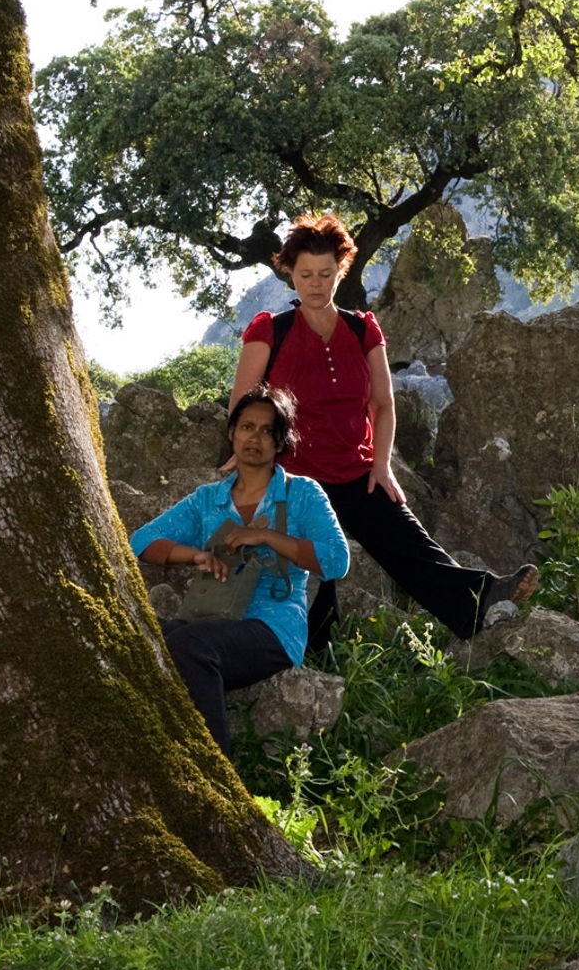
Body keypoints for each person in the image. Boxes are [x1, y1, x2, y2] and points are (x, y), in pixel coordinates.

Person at [228, 213, 537, 647]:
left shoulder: (362, 329)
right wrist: (244, 456)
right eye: (305, 275)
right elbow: (244, 405)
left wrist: (382, 464)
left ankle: (483, 603)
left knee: (407, 541)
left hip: (356, 468)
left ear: (341, 272)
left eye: (325, 273)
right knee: (320, 568)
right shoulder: (269, 330)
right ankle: (313, 660)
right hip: (295, 475)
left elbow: (383, 403)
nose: (315, 283)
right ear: (290, 274)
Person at [132, 384, 350, 753]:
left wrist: (265, 538)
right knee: (151, 642)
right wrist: (195, 556)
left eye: (268, 431)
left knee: (189, 646)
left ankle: (216, 769)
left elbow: (336, 560)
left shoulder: (303, 493)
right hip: (211, 617)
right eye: (247, 426)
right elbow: (141, 542)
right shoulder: (208, 500)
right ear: (232, 433)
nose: (256, 437)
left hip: (274, 628)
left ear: (281, 442)